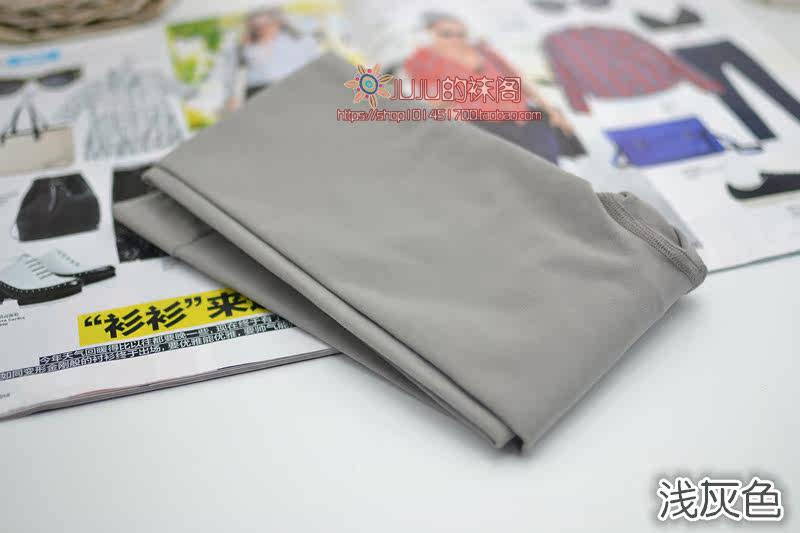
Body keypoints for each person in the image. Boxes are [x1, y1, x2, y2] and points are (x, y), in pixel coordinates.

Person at [404, 12, 578, 165]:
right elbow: (435, 102)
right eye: (446, 34)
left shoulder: (483, 50)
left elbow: (518, 80)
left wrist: (550, 110)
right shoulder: (421, 60)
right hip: (484, 127)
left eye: (461, 34)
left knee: (550, 171)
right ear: (430, 32)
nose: (455, 39)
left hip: (524, 119)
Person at [240, 8, 322, 98]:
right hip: (261, 86)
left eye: (267, 24)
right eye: (259, 27)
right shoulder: (251, 46)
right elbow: (254, 64)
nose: (264, 28)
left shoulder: (297, 38)